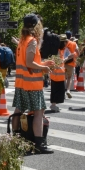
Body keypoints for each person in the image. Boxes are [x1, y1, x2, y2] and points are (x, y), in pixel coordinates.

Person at [12, 14, 54, 154]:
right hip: (33, 84)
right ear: (36, 26)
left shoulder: (22, 41)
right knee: (38, 112)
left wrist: (43, 63)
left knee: (18, 111)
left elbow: (26, 62)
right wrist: (44, 68)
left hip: (21, 82)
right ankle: (39, 144)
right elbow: (29, 63)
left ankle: (15, 139)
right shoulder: (32, 41)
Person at [64, 30, 79, 96]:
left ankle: (63, 89)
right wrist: (75, 55)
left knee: (63, 77)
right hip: (71, 62)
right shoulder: (74, 44)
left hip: (62, 62)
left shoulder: (62, 43)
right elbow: (78, 52)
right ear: (70, 36)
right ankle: (68, 90)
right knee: (69, 77)